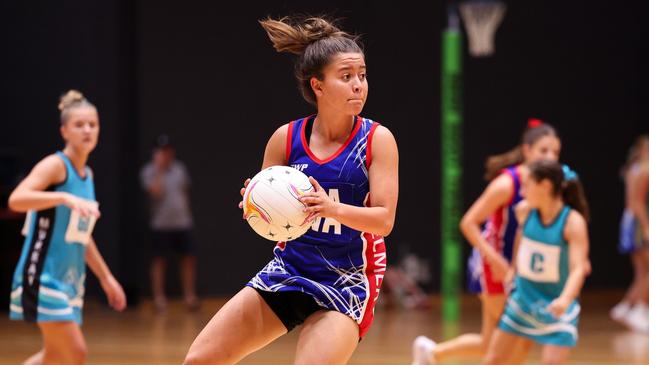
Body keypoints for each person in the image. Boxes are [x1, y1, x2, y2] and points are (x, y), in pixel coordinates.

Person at [183, 15, 398, 365]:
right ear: (318, 85)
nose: (359, 84)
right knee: (199, 360)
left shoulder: (377, 140)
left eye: (362, 75)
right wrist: (257, 204)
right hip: (290, 270)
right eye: (346, 77)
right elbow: (272, 220)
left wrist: (332, 208)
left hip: (347, 281)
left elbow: (384, 221)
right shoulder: (286, 139)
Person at [412, 119, 561, 364]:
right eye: (544, 150)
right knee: (517, 337)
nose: (550, 157)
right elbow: (468, 222)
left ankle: (430, 353)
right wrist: (497, 262)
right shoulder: (507, 184)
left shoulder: (547, 186)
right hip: (491, 266)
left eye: (555, 152)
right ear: (527, 150)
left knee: (489, 342)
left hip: (516, 268)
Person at [8, 90, 126, 365]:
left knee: (55, 356)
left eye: (93, 125)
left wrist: (106, 278)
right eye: (79, 125)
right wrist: (62, 196)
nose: (87, 130)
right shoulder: (55, 166)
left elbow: (82, 236)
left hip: (70, 280)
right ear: (64, 131)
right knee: (75, 352)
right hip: (42, 275)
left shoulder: (87, 175)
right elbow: (16, 199)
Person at [482, 160, 590, 365]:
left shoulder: (572, 222)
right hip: (523, 300)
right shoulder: (525, 211)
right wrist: (512, 270)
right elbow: (520, 243)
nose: (522, 192)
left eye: (527, 185)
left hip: (555, 306)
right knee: (492, 360)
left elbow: (578, 269)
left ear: (545, 186)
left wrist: (565, 300)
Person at [140, 134, 199, 312]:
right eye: (161, 151)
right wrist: (159, 170)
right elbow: (156, 192)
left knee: (188, 259)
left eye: (167, 151)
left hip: (182, 222)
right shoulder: (148, 171)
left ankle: (190, 297)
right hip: (160, 225)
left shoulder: (180, 169)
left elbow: (186, 192)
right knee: (159, 261)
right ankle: (159, 299)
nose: (165, 154)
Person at [611, 135, 649, 332]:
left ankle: (626, 307)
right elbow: (637, 202)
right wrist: (647, 228)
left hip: (630, 221)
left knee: (642, 271)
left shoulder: (634, 169)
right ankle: (639, 309)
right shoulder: (643, 171)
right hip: (637, 222)